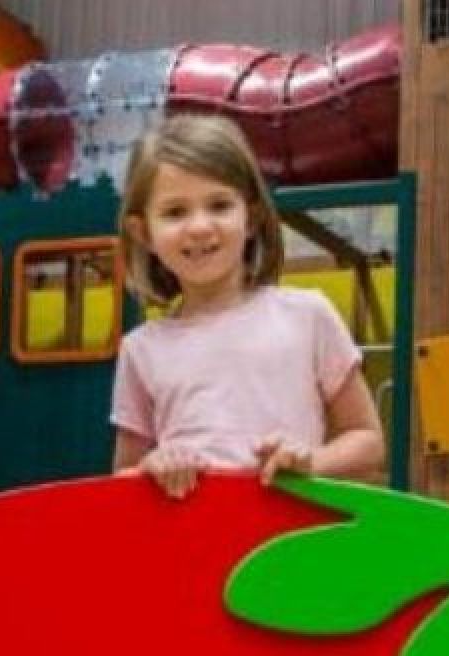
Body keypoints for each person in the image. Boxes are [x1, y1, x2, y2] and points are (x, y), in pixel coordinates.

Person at [111, 113, 385, 498]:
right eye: (175, 212)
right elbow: (120, 482)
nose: (200, 226)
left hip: (289, 547)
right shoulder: (140, 349)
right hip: (193, 552)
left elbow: (369, 443)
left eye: (219, 205)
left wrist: (310, 462)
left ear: (252, 217)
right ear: (144, 233)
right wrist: (152, 467)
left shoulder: (308, 316)